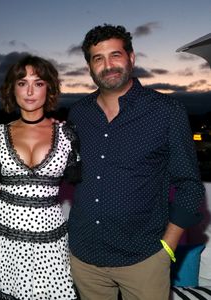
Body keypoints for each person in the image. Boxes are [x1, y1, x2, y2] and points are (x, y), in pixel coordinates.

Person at [67, 24, 205, 300]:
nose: (108, 65)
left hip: (144, 259)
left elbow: (190, 186)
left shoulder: (166, 112)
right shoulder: (78, 114)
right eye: (98, 58)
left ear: (131, 57)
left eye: (115, 55)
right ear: (89, 67)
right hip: (84, 258)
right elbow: (72, 171)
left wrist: (168, 245)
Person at [0, 55, 80, 300]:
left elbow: (84, 185)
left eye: (39, 83)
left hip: (50, 241)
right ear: (13, 89)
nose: (30, 91)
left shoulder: (67, 134)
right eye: (22, 83)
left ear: (50, 88)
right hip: (3, 237)